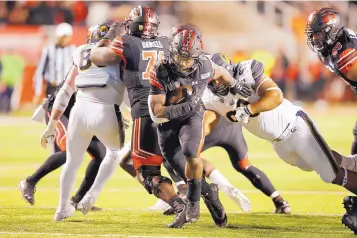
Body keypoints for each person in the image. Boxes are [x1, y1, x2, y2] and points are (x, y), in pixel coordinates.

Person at [205, 52, 357, 234]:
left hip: (295, 126)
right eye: (212, 80)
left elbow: (275, 95)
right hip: (278, 143)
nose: (216, 83)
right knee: (321, 164)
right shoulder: (211, 98)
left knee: (329, 173)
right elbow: (207, 123)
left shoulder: (246, 71)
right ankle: (353, 162)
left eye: (218, 78)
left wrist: (250, 109)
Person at [80, 6, 189, 228]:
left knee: (146, 172)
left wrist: (105, 39)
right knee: (175, 159)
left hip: (146, 109)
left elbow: (97, 58)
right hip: (172, 109)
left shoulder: (127, 41)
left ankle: (179, 204)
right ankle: (198, 195)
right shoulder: (166, 43)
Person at [148, 29, 251, 226]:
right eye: (179, 57)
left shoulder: (204, 65)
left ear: (197, 57)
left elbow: (221, 72)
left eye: (187, 59)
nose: (182, 62)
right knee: (175, 163)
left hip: (192, 118)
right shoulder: (161, 69)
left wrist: (235, 84)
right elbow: (156, 112)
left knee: (191, 152)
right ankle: (211, 195)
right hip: (166, 122)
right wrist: (183, 106)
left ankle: (193, 203)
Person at [40, 22, 126, 222]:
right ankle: (91, 195)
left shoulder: (80, 51)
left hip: (79, 111)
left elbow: (65, 91)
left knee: (72, 161)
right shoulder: (117, 52)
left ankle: (62, 208)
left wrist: (51, 125)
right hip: (106, 111)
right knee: (114, 152)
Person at [305, 7, 357, 233]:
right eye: (313, 34)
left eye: (318, 34)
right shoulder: (333, 47)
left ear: (332, 31)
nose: (315, 39)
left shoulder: (347, 56)